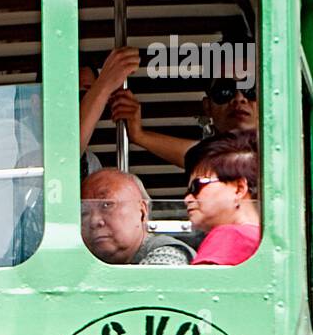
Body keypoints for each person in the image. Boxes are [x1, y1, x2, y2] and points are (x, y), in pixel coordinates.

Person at [110, 75, 258, 169]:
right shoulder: (206, 156)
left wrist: (140, 136)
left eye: (251, 90)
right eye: (224, 91)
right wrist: (138, 134)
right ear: (207, 106)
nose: (239, 98)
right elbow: (207, 156)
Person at [82, 168, 195, 265]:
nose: (94, 220)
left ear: (142, 211)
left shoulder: (168, 254)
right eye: (84, 212)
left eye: (107, 205)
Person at [184, 131, 260, 266]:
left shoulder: (230, 235)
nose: (187, 199)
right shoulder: (261, 239)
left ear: (239, 189)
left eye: (196, 186)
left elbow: (200, 285)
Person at [79, 47, 141, 178]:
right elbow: (62, 156)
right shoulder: (25, 140)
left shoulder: (90, 163)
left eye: (88, 96)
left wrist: (138, 135)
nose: (84, 105)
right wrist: (104, 85)